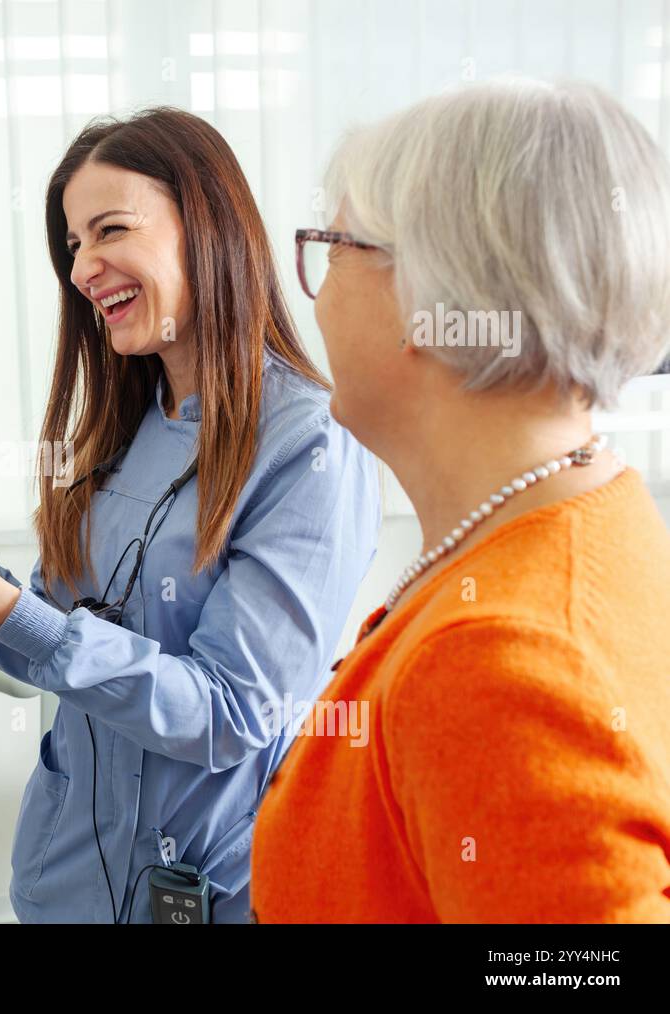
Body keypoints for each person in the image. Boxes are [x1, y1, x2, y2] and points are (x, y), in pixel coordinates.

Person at [0, 108, 381, 923]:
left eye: (109, 229)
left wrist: (18, 618)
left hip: (205, 892)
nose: (83, 269)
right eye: (74, 244)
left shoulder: (308, 443)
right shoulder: (123, 425)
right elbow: (48, 637)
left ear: (208, 225)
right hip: (63, 883)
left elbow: (232, 713)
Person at [253, 79, 670, 922]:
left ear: (430, 301)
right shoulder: (592, 512)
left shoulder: (500, 665)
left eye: (331, 248)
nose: (313, 293)